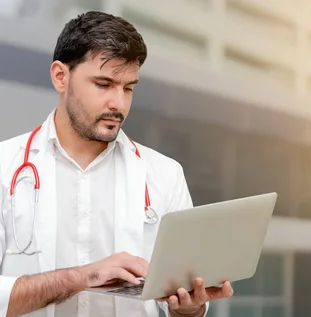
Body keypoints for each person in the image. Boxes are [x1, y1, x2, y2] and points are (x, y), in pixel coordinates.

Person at [0, 11, 234, 317]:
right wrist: (82, 277)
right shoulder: (5, 165)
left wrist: (189, 309)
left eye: (128, 88)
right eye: (104, 84)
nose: (119, 104)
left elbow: (178, 304)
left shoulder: (165, 175)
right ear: (60, 76)